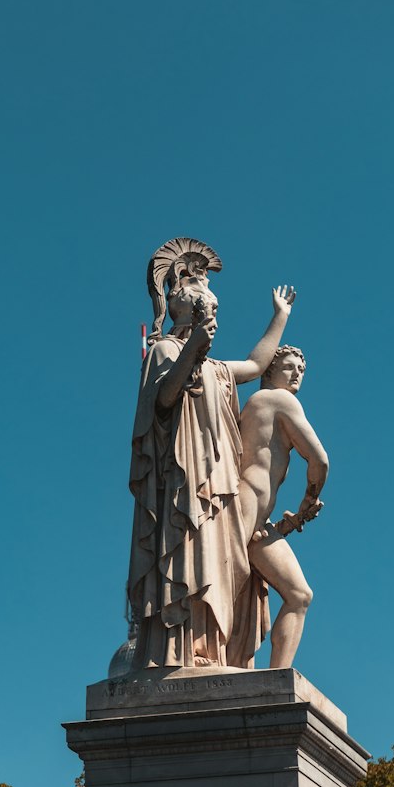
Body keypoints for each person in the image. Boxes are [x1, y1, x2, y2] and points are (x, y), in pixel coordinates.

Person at [127, 235, 296, 669]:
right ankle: (177, 652)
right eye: (207, 311)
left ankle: (209, 649)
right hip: (181, 484)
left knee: (217, 565)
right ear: (187, 310)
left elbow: (257, 366)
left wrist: (279, 318)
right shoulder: (165, 350)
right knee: (186, 558)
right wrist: (194, 347)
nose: (214, 318)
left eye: (216, 313)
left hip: (217, 483)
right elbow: (163, 399)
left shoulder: (218, 370)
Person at [227, 346, 328, 670]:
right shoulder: (277, 400)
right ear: (269, 372)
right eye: (289, 367)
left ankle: (278, 679)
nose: (297, 373)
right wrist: (309, 500)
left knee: (300, 595)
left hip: (259, 514)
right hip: (247, 503)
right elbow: (318, 460)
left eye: (301, 368)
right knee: (225, 587)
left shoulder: (254, 406)